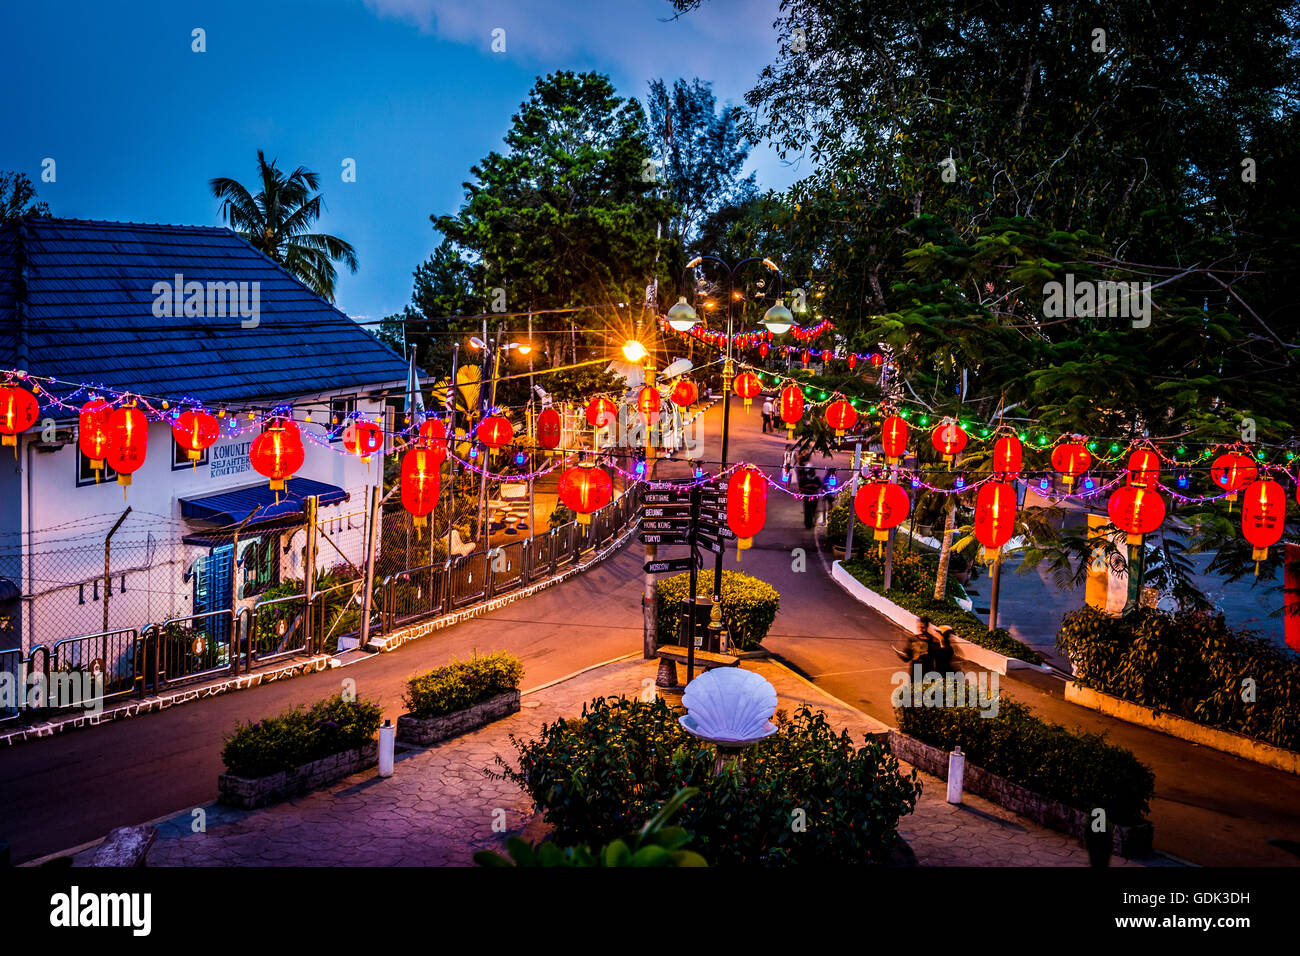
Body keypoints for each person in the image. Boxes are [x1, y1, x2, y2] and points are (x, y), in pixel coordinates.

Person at [797, 454, 821, 529]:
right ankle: (808, 524)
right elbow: (801, 488)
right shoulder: (804, 479)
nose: (814, 472)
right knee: (807, 511)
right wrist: (810, 491)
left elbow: (819, 486)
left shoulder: (817, 479)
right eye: (813, 471)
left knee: (813, 510)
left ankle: (813, 522)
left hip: (814, 498)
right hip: (807, 497)